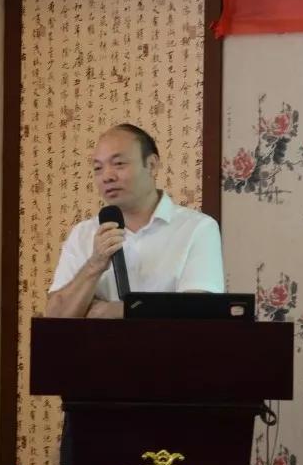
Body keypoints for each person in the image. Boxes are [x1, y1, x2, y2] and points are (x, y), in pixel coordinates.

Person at [45, 123, 224, 319]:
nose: (107, 176)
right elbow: (54, 318)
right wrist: (94, 265)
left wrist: (109, 310)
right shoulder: (83, 233)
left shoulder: (197, 228)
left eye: (119, 164)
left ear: (152, 165)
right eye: (98, 168)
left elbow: (198, 314)